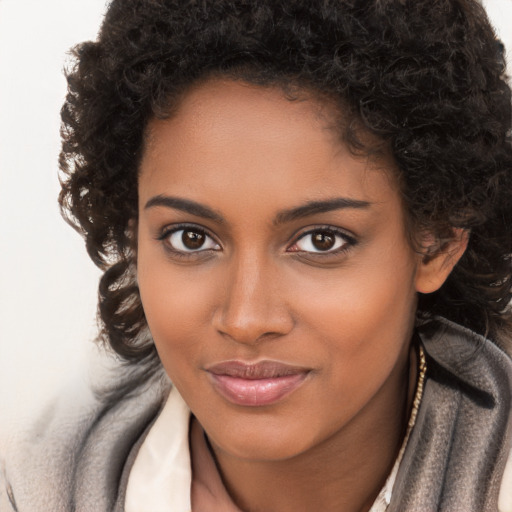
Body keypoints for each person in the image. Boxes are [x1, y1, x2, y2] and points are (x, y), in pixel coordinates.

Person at [1, 0, 512, 510]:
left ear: (437, 243)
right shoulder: (31, 484)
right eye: (191, 238)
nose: (246, 320)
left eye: (321, 241)